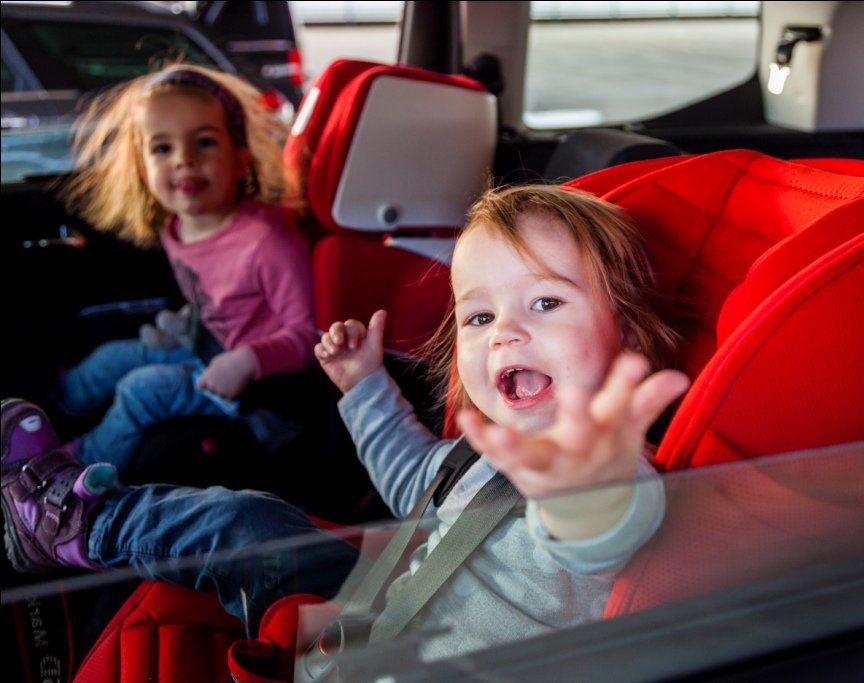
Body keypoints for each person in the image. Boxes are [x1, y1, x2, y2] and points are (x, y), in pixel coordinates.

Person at [2, 184, 691, 660]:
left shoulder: (610, 474)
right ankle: (74, 521)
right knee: (246, 516)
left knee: (239, 522)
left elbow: (600, 531)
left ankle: (81, 523)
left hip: (418, 660)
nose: (504, 332)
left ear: (629, 339)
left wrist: (583, 476)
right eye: (480, 317)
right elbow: (412, 478)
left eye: (545, 303)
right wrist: (364, 385)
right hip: (386, 611)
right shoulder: (480, 456)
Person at [51, 63, 317, 469]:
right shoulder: (177, 228)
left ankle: (68, 479)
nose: (184, 160)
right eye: (162, 148)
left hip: (263, 393)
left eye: (205, 142)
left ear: (241, 158)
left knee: (143, 389)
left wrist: (247, 359)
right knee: (110, 361)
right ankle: (45, 420)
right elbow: (223, 300)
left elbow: (307, 337)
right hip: (208, 351)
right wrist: (189, 322)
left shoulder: (268, 242)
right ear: (143, 167)